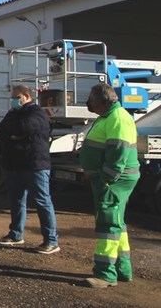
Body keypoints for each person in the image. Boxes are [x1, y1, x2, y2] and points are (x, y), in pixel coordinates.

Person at [79, 83, 140, 288]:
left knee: (108, 224)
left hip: (114, 180)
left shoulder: (118, 118)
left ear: (102, 100)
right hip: (110, 179)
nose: (89, 102)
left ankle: (105, 274)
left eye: (91, 98)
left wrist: (106, 178)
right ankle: (123, 269)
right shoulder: (109, 116)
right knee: (117, 222)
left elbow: (118, 152)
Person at [0, 85, 59, 254]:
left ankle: (51, 240)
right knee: (16, 201)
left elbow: (24, 128)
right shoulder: (13, 113)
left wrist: (13, 133)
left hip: (35, 165)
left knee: (42, 201)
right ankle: (16, 234)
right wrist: (13, 134)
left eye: (15, 97)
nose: (13, 100)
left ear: (25, 96)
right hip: (15, 164)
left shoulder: (37, 113)